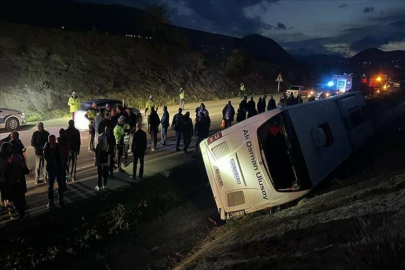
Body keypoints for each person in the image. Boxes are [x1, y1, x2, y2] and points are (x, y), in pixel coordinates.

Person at [3, 142, 29, 220]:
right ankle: (21, 212)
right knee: (20, 198)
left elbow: (7, 170)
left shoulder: (9, 159)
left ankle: (20, 213)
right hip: (19, 181)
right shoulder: (17, 156)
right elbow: (24, 168)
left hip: (14, 182)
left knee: (17, 199)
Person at [44, 135, 65, 208]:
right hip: (52, 169)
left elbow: (62, 156)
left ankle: (60, 200)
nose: (52, 141)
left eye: (53, 140)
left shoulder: (58, 146)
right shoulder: (47, 147)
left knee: (60, 185)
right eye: (51, 140)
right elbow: (47, 157)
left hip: (58, 168)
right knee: (50, 186)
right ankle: (50, 201)